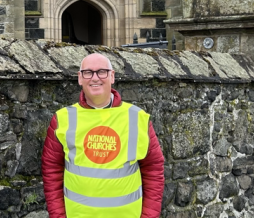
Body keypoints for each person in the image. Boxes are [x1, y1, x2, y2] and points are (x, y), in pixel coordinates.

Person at [41, 53, 164, 218]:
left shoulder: (137, 118)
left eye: (102, 72)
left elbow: (153, 169)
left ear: (112, 76)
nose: (95, 78)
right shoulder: (62, 119)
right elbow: (51, 171)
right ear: (80, 78)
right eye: (88, 72)